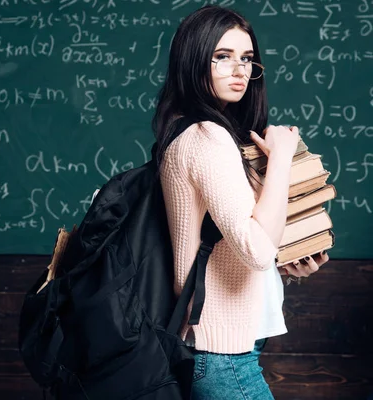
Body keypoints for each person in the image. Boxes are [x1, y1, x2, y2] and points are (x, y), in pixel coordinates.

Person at [152, 5, 330, 400]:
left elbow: (234, 247)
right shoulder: (206, 137)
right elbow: (255, 250)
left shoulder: (203, 133)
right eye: (222, 57)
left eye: (247, 58)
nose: (239, 70)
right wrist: (282, 157)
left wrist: (288, 265)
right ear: (193, 61)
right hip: (221, 352)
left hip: (228, 341)